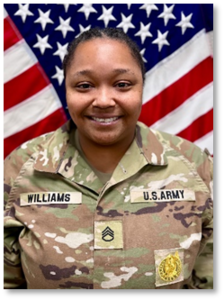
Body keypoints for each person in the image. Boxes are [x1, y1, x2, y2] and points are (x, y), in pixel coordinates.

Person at [2, 27, 213, 290]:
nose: (103, 100)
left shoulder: (194, 166)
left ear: (142, 88)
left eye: (122, 84)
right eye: (84, 86)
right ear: (66, 90)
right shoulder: (21, 168)